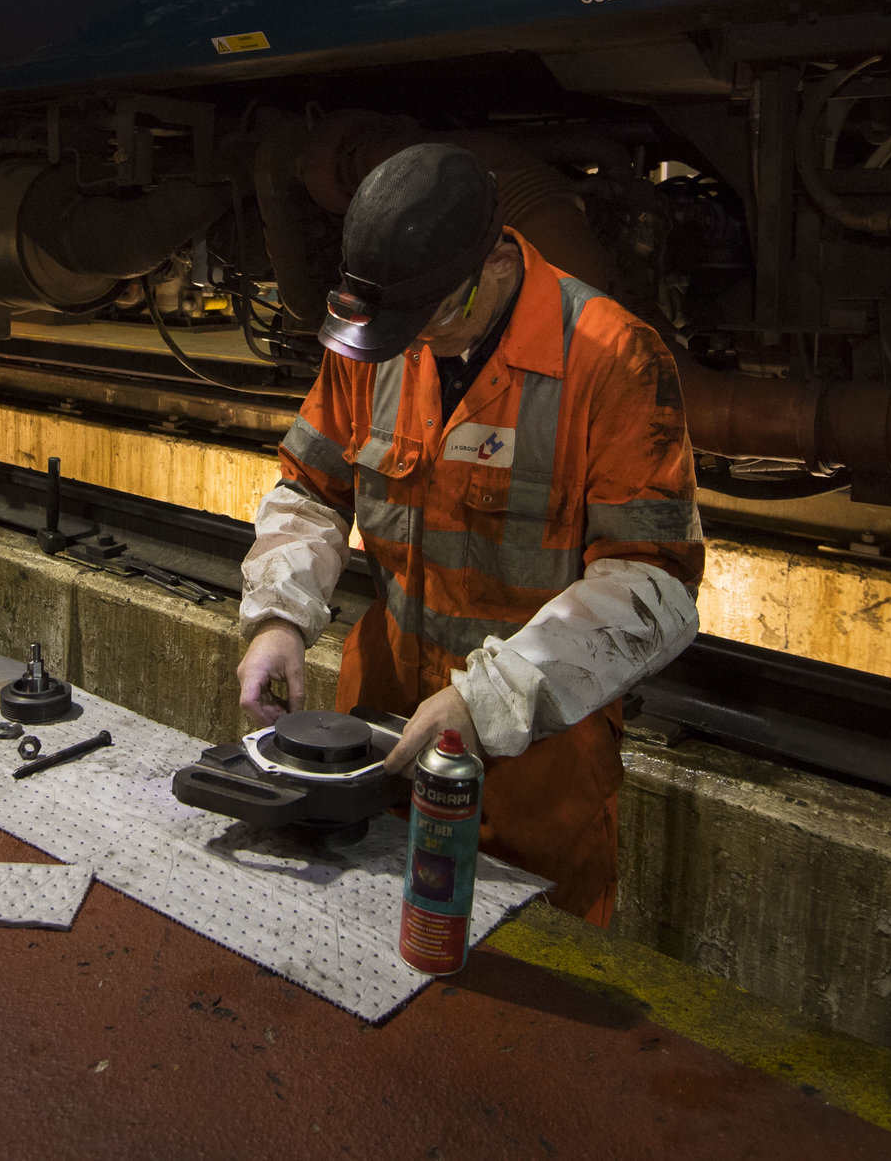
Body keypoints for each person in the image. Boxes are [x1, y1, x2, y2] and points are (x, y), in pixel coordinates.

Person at [232, 142, 704, 923]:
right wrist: (279, 615)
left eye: (437, 318)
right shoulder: (382, 337)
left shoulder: (614, 359)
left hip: (532, 778)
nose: (418, 345)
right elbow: (311, 489)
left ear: (492, 262)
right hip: (377, 748)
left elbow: (654, 583)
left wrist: (487, 700)